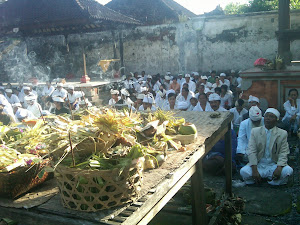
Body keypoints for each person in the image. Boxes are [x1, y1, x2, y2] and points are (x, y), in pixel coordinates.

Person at [240, 108, 293, 186]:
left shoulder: (282, 133)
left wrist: (279, 168)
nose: (268, 118)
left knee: (288, 170)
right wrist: (254, 169)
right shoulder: (255, 131)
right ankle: (261, 178)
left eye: (271, 117)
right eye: (266, 116)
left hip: (273, 165)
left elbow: (284, 152)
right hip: (259, 164)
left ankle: (271, 180)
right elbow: (251, 151)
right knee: (243, 171)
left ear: (276, 120)